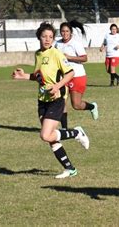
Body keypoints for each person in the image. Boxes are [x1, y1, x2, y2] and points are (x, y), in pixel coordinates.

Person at [12, 22, 90, 179]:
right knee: (51, 138)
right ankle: (70, 169)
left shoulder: (56, 54)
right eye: (44, 36)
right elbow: (39, 76)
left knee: (45, 135)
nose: (47, 39)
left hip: (56, 99)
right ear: (39, 37)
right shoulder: (38, 54)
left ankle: (76, 132)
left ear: (54, 39)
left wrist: (57, 86)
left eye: (50, 37)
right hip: (42, 100)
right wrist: (24, 76)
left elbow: (70, 72)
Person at [55, 20, 99, 128]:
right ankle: (64, 129)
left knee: (76, 105)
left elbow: (84, 58)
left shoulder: (75, 43)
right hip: (64, 77)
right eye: (63, 31)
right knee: (61, 103)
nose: (65, 33)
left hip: (77, 76)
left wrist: (69, 57)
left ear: (71, 33)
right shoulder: (58, 44)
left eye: (67, 31)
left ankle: (92, 107)